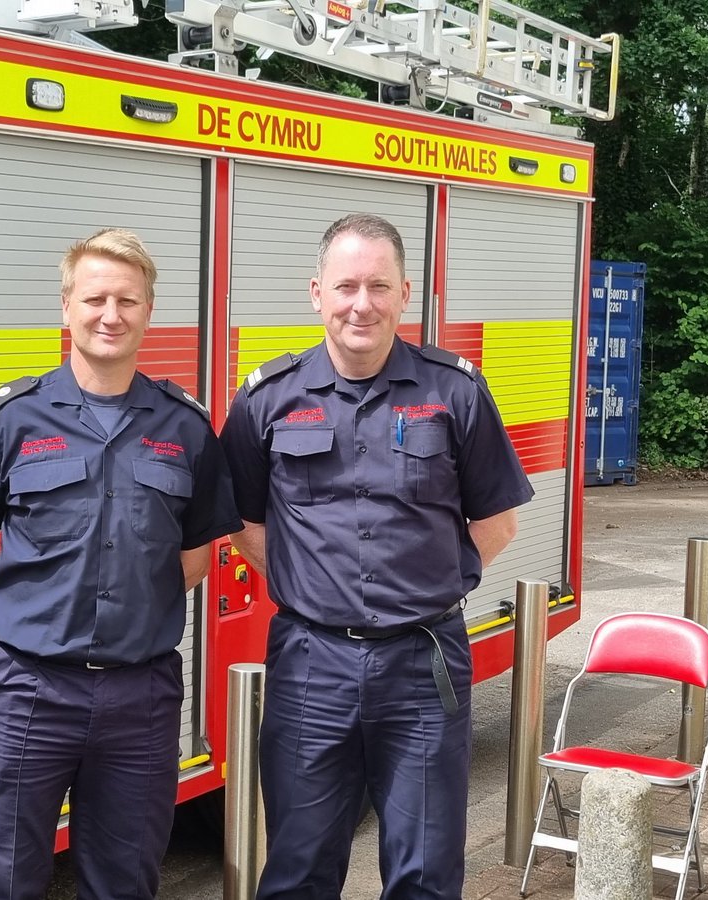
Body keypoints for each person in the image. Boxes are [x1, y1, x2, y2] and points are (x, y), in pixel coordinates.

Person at [0, 228, 242, 900]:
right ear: (66, 307)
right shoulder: (14, 419)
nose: (110, 314)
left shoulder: (184, 427)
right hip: (28, 689)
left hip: (140, 697)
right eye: (94, 298)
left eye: (128, 300)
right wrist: (23, 610)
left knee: (125, 881)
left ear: (149, 311)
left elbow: (194, 558)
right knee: (3, 880)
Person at [219, 213, 534, 899]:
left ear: (404, 294)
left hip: (423, 662)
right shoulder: (264, 400)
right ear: (316, 293)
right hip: (310, 664)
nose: (361, 303)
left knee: (423, 871)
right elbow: (242, 521)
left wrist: (427, 583)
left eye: (378, 287)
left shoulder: (454, 391)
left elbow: (498, 520)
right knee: (299, 868)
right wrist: (313, 587)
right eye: (346, 286)